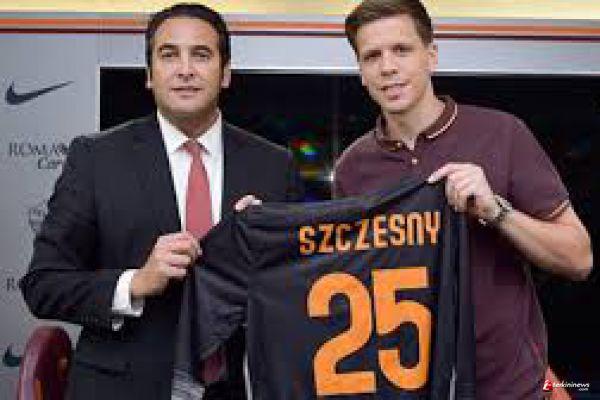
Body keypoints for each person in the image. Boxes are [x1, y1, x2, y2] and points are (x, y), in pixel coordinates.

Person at [20, 3, 303, 400]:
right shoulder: (96, 159)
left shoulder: (273, 165)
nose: (185, 69)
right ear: (150, 74)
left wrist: (264, 254)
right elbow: (43, 284)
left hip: (238, 388)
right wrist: (135, 283)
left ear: (225, 73)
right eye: (169, 55)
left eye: (201, 55)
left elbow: (300, 293)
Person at [333, 0, 593, 398]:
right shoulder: (353, 167)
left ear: (431, 56)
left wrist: (495, 210)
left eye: (401, 50)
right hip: (409, 387)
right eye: (372, 56)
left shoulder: (503, 133)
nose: (388, 67)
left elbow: (579, 259)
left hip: (511, 387)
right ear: (362, 73)